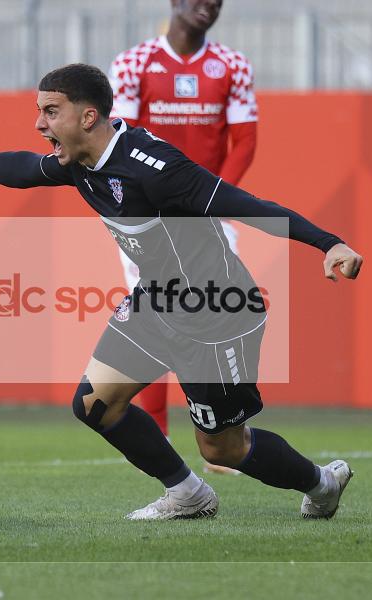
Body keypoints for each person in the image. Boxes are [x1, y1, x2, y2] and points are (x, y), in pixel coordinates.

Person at [0, 63, 362, 520]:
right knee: (95, 405)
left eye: (51, 112)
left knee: (222, 448)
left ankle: (322, 484)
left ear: (88, 117)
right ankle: (188, 494)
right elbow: (25, 168)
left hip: (217, 311)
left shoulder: (156, 168)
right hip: (158, 302)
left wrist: (328, 243)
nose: (39, 124)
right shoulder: (80, 162)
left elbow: (246, 205)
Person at [109, 0, 257, 474]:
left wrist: (213, 203)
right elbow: (123, 141)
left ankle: (223, 434)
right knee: (158, 312)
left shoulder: (232, 65)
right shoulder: (134, 63)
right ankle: (159, 439)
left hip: (208, 217)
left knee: (219, 312)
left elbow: (245, 140)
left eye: (216, 1)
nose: (207, 6)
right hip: (149, 219)